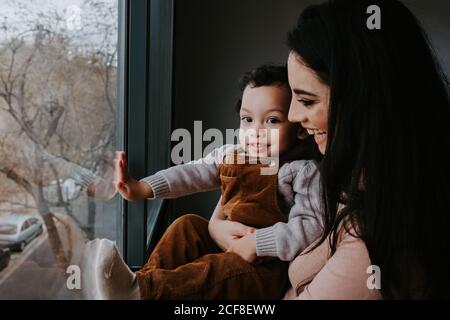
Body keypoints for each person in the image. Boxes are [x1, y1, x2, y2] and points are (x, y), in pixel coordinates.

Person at [82, 64, 323, 299]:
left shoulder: (301, 171)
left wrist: (258, 243)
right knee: (187, 225)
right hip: (226, 245)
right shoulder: (232, 154)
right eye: (247, 120)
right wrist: (142, 188)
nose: (256, 131)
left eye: (271, 121)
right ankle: (142, 283)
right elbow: (191, 173)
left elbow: (312, 226)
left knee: (217, 268)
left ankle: (140, 293)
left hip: (261, 269)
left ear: (299, 127)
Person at [283, 0, 450, 299]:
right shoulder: (360, 180)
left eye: (307, 100)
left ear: (362, 104)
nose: (293, 115)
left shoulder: (372, 246)